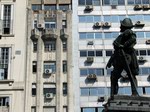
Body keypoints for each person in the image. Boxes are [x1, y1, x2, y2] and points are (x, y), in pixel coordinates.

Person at [106, 18, 139, 97]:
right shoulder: (122, 35)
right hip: (119, 57)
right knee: (115, 76)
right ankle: (114, 94)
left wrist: (123, 46)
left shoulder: (128, 32)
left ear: (125, 26)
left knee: (131, 75)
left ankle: (134, 93)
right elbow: (116, 50)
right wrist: (110, 61)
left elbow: (133, 39)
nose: (120, 27)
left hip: (127, 57)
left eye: (122, 25)